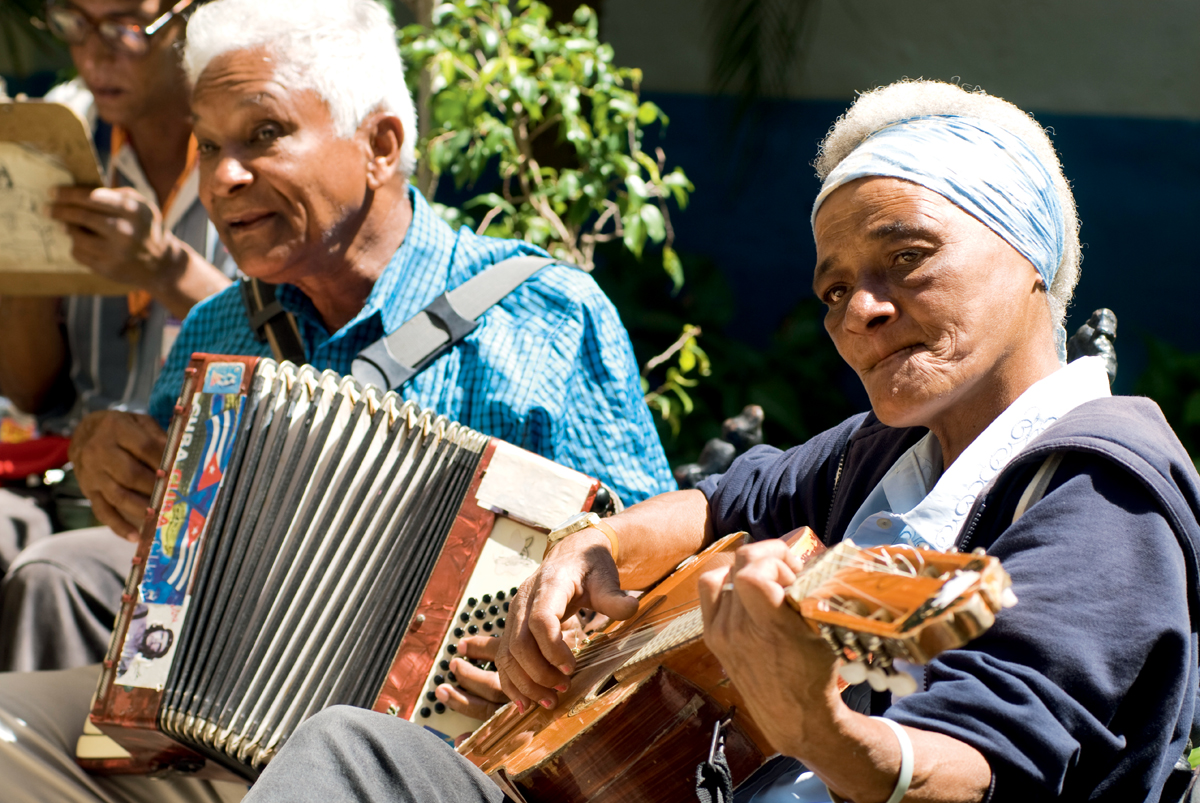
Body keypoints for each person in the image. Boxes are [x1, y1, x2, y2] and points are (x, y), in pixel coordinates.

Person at [238, 80, 1200, 803]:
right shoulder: (896, 454)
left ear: (1029, 252)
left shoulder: (1098, 494)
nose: (860, 310)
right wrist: (595, 550)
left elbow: (991, 768)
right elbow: (730, 500)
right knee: (360, 751)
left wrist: (819, 726)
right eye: (833, 289)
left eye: (907, 258)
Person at [0, 0, 674, 800]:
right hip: (216, 737)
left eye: (263, 135)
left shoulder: (546, 315)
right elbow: (161, 540)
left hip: (440, 760)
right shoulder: (220, 328)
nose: (223, 177)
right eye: (208, 144)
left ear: (381, 145)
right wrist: (108, 452)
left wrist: (551, 650)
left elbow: (651, 590)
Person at [0, 0, 239, 672]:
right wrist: (21, 255)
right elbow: (30, 386)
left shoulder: (249, 136)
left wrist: (164, 270)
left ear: (189, 19)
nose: (94, 53)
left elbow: (290, 340)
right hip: (60, 471)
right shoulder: (55, 129)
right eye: (75, 23)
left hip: (197, 490)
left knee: (52, 577)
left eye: (125, 26)